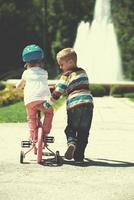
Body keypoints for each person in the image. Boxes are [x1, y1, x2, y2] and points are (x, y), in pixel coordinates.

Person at [43, 48, 94, 163]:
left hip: (74, 105)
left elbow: (58, 92)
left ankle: (71, 143)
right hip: (88, 104)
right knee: (84, 131)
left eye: (61, 64)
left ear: (70, 62)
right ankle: (79, 157)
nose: (60, 67)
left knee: (71, 128)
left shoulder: (66, 75)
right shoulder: (83, 72)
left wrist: (47, 104)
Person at [16, 44, 53, 142]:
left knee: (31, 118)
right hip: (44, 99)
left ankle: (33, 136)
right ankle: (45, 133)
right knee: (49, 113)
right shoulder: (45, 72)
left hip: (31, 100)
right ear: (40, 62)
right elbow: (41, 82)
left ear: (26, 63)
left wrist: (18, 87)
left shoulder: (26, 73)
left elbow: (19, 85)